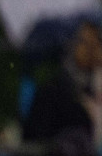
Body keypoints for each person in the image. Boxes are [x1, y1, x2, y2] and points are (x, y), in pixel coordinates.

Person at [23, 18, 102, 148]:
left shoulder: (95, 88)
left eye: (97, 41)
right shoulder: (51, 94)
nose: (91, 49)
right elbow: (37, 143)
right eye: (83, 42)